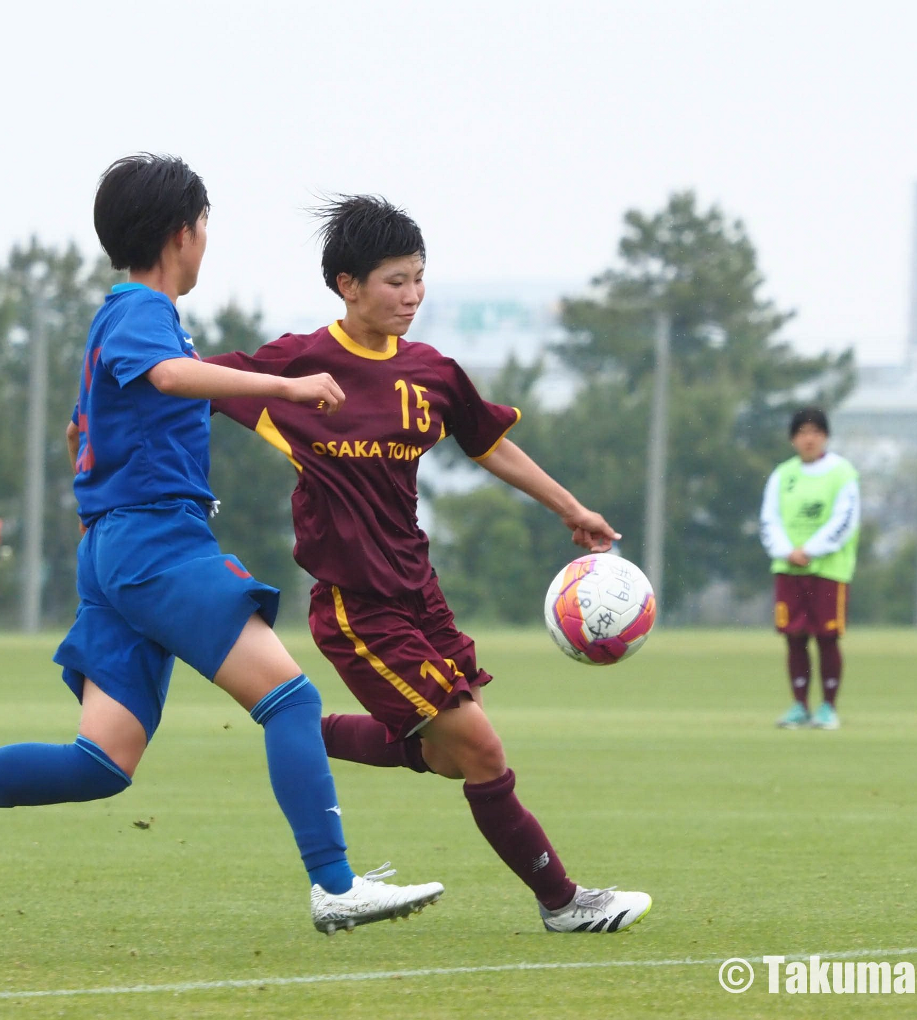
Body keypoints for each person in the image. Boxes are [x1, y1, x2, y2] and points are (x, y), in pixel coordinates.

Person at [0, 155, 443, 936]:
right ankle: (335, 885)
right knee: (292, 700)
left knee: (100, 763)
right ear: (182, 234)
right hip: (155, 542)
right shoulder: (141, 310)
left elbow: (79, 431)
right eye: (204, 229)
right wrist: (286, 387)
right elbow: (168, 379)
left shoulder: (124, 320)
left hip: (116, 547)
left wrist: (102, 518)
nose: (206, 244)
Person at [207, 195, 652, 934]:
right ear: (348, 284)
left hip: (421, 595)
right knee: (478, 745)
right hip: (354, 604)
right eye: (394, 281)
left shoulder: (432, 373)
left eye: (418, 278)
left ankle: (299, 729)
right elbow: (185, 383)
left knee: (449, 759)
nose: (412, 295)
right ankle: (565, 903)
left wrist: (569, 507)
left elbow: (489, 444)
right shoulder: (298, 365)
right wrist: (98, 426)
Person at [759, 406, 861, 730]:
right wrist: (787, 551)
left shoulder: (842, 473)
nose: (809, 438)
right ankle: (799, 705)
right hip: (789, 569)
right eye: (802, 432)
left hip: (828, 570)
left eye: (816, 431)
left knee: (827, 637)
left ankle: (828, 707)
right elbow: (769, 519)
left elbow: (845, 520)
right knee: (794, 638)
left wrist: (811, 550)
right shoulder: (783, 475)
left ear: (826, 436)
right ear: (793, 439)